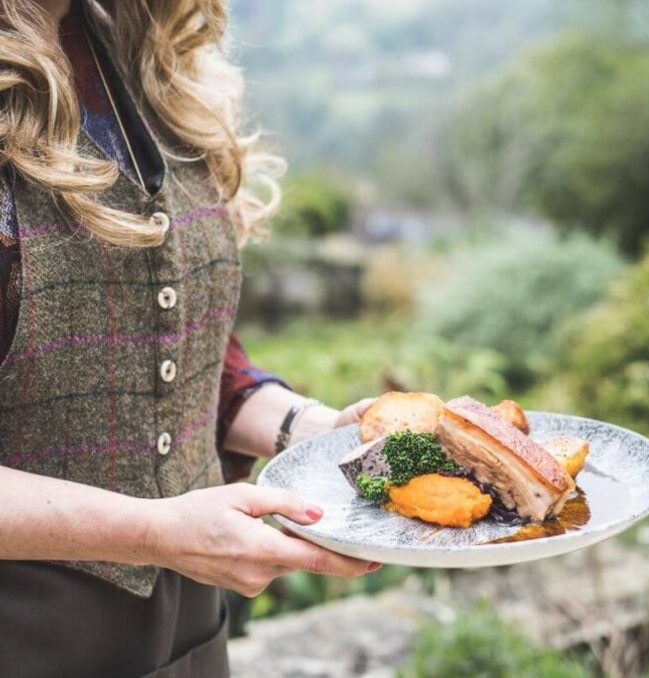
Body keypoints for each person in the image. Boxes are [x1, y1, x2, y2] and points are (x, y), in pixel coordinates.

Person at [0, 1, 380, 675]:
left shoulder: (135, 48)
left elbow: (179, 347)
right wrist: (154, 531)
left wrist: (315, 432)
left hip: (191, 629)